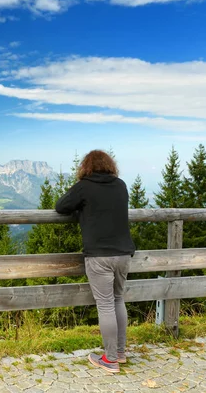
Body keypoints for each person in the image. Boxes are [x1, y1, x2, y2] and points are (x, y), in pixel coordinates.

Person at [55, 150, 135, 373]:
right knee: (118, 300)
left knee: (106, 304)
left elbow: (61, 206)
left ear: (86, 167)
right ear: (110, 165)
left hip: (99, 255)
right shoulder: (120, 185)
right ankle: (120, 353)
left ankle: (109, 360)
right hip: (123, 254)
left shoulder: (85, 186)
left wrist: (81, 210)